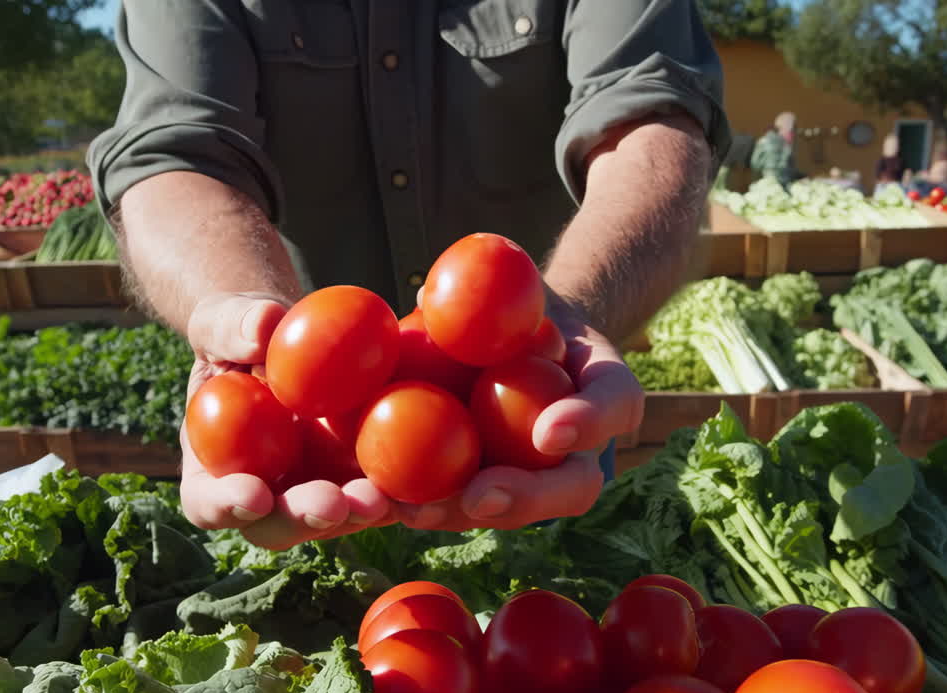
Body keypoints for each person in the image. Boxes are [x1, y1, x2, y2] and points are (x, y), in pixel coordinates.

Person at [88, 0, 731, 550]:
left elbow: (652, 118)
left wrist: (566, 318)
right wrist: (240, 315)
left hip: (550, 428)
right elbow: (171, 154)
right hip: (312, 457)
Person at [750, 112, 800, 186]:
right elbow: (788, 163)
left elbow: (754, 163)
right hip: (783, 181)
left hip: (767, 179)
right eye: (794, 128)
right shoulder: (786, 144)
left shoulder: (763, 140)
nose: (794, 132)